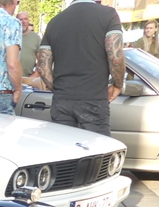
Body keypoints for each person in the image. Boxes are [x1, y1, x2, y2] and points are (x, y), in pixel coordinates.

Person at [36, 0, 125, 137]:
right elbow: (116, 57)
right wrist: (118, 84)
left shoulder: (54, 21)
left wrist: (59, 88)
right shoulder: (108, 14)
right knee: (96, 148)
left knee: (63, 147)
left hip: (62, 100)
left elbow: (42, 67)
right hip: (94, 99)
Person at [17, 11, 40, 76]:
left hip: (28, 78)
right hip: (10, 78)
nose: (23, 21)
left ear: (28, 21)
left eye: (25, 19)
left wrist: (34, 76)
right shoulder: (11, 36)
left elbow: (41, 61)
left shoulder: (35, 38)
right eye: (21, 19)